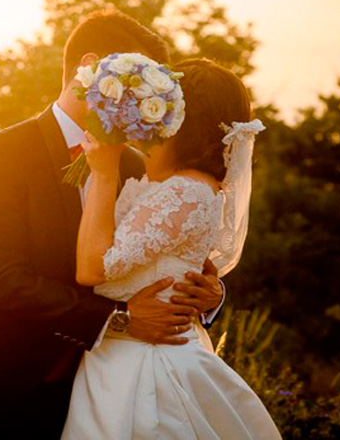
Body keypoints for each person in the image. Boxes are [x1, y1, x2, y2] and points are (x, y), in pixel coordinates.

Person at [0, 13, 227, 439]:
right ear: (91, 67)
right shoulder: (2, 153)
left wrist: (206, 296)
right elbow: (2, 280)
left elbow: (168, 250)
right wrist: (121, 321)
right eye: (137, 81)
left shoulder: (136, 167)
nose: (141, 99)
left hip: (95, 392)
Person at [61, 58, 281, 439]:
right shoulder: (174, 184)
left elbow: (93, 270)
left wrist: (102, 172)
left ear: (183, 119)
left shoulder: (186, 191)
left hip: (145, 372)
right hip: (117, 362)